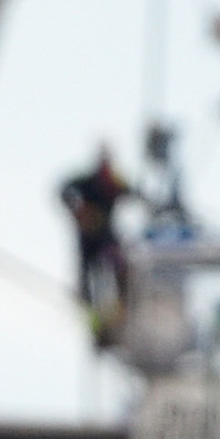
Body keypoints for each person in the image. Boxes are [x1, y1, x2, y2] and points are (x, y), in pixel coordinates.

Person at [59, 145, 134, 350]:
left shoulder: (113, 182)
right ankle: (97, 327)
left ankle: (118, 315)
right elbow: (63, 190)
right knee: (86, 283)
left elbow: (131, 192)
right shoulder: (86, 181)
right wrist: (78, 210)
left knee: (121, 272)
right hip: (88, 241)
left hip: (106, 239)